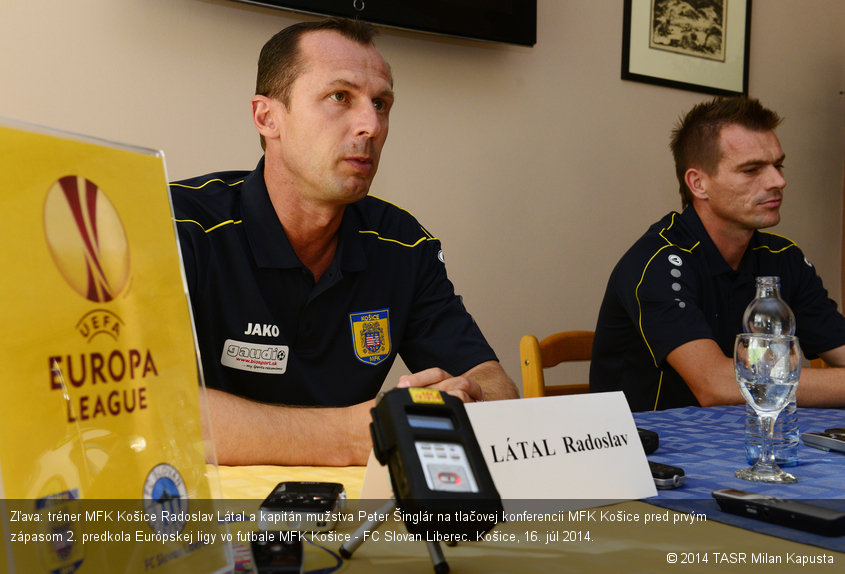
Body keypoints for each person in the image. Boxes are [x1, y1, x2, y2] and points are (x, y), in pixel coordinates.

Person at [170, 18, 517, 465]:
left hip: (351, 518)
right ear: (267, 116)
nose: (371, 125)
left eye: (381, 103)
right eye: (340, 97)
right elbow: (150, 410)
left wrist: (463, 401)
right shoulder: (178, 225)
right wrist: (359, 433)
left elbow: (493, 383)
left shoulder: (404, 244)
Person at [590, 96, 845, 412]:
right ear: (698, 183)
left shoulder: (783, 257)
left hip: (748, 441)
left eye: (778, 165)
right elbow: (715, 384)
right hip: (652, 453)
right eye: (752, 170)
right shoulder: (657, 260)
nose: (779, 181)